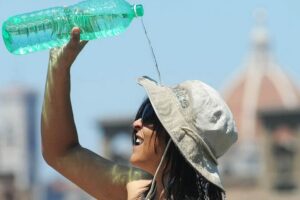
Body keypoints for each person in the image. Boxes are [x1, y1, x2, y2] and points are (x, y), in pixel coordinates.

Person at [41, 27, 238, 200]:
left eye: (151, 114)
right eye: (142, 110)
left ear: (177, 140)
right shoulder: (138, 190)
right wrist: (59, 67)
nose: (136, 122)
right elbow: (61, 153)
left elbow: (62, 154)